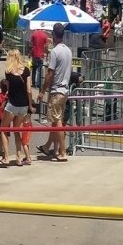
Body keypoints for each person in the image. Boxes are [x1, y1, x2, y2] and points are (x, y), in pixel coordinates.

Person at [37, 22, 72, 162]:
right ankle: (47, 146)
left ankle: (62, 151)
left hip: (56, 90)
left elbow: (49, 73)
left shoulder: (55, 52)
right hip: (64, 90)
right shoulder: (68, 51)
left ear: (53, 34)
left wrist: (42, 91)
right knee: (56, 120)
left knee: (56, 121)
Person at [2, 49, 35, 166]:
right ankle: (19, 157)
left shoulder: (8, 71)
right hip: (24, 105)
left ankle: (6, 156)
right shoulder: (26, 70)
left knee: (3, 129)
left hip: (13, 104)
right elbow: (29, 90)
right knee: (16, 130)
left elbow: (9, 89)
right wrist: (30, 105)